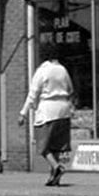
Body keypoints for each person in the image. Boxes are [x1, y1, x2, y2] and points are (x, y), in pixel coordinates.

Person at [18, 42, 74, 186]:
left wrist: (23, 113)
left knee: (42, 145)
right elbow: (70, 89)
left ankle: (56, 167)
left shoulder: (42, 70)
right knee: (56, 146)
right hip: (64, 111)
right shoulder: (63, 70)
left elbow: (32, 94)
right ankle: (53, 177)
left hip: (47, 111)